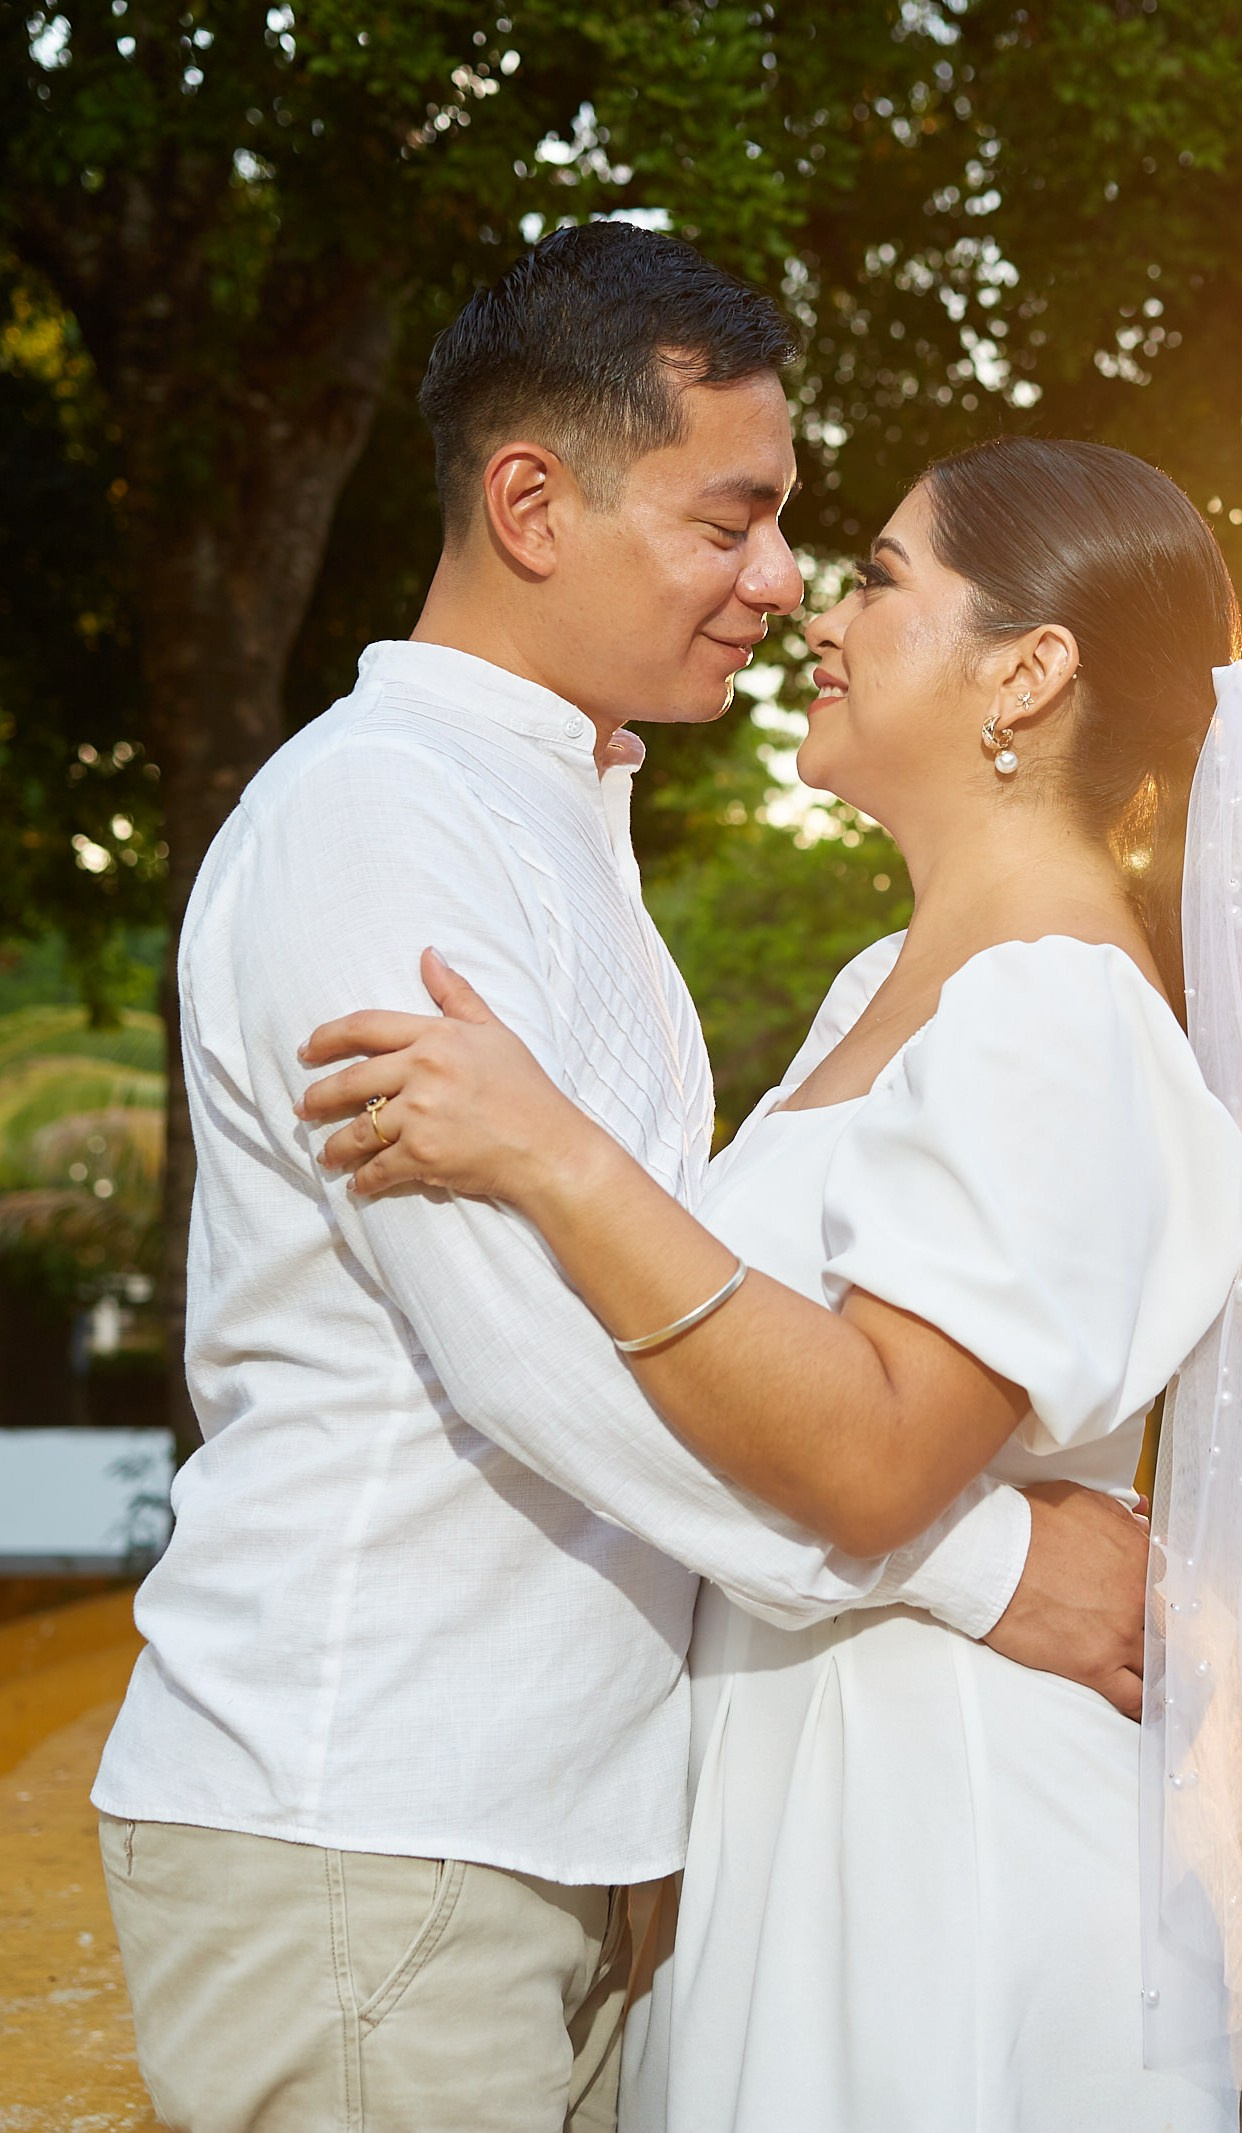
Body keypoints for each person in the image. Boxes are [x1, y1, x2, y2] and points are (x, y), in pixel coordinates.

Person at [301, 435, 1242, 2131]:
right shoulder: (877, 989)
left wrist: (553, 1154)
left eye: (883, 578)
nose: (817, 615)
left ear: (1028, 671)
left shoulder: (1056, 1014)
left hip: (943, 1829)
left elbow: (878, 1452)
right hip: (804, 1789)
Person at [91, 230, 1154, 2133]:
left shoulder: (562, 827)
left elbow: (672, 1313)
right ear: (530, 502)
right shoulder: (379, 819)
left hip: (536, 1843)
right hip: (372, 1823)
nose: (776, 583)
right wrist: (995, 1565)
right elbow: (535, 1354)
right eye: (729, 519)